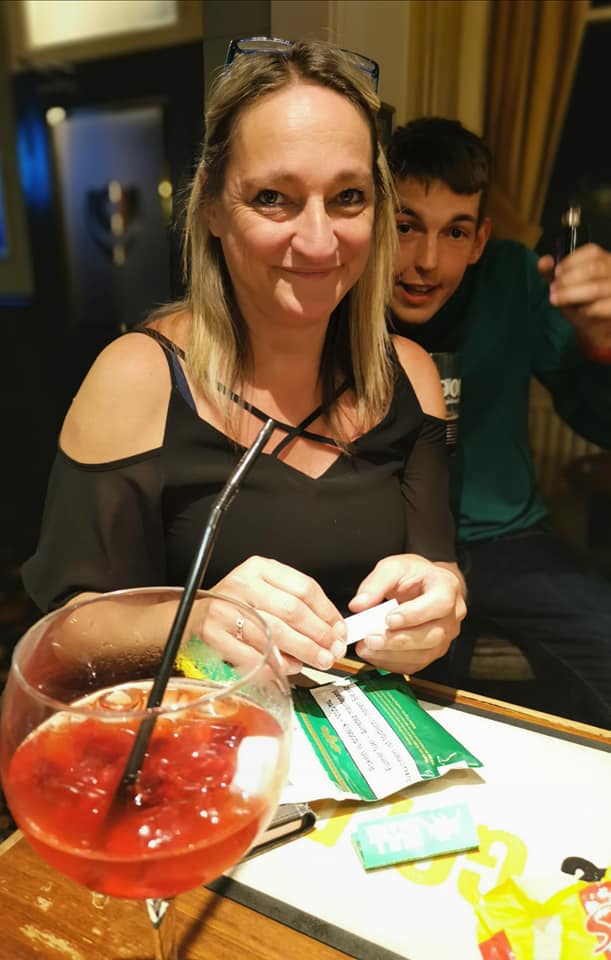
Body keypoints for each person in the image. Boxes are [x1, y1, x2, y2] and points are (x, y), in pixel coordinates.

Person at [22, 40, 466, 678]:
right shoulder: (139, 377)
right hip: (205, 726)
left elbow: (438, 567)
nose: (319, 242)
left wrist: (440, 606)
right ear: (210, 205)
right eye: (273, 198)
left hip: (371, 724)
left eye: (348, 197)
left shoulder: (412, 376)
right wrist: (193, 620)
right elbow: (61, 633)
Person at [386, 116, 611, 727]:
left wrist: (600, 343)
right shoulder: (343, 295)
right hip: (395, 548)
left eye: (455, 232)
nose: (427, 261)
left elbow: (596, 419)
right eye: (406, 226)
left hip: (511, 540)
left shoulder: (512, 277)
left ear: (481, 239)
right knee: (407, 711)